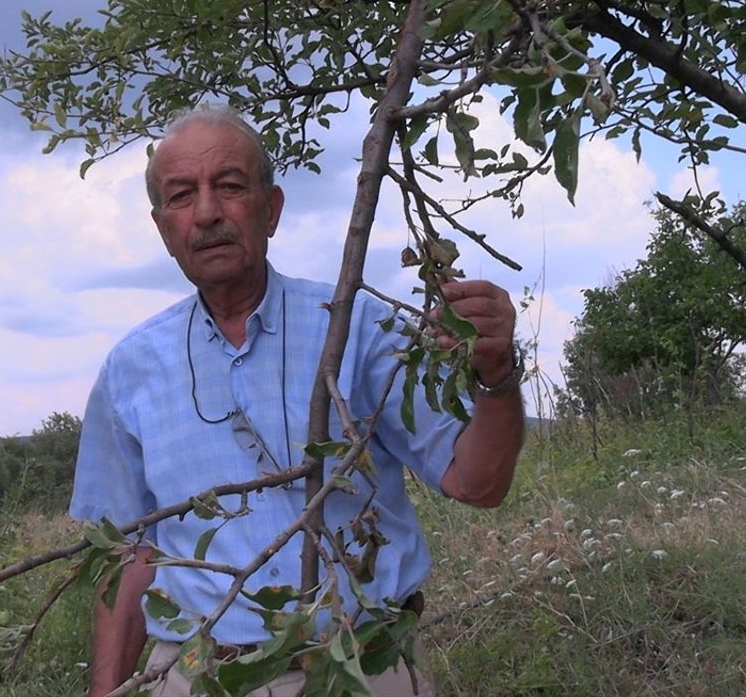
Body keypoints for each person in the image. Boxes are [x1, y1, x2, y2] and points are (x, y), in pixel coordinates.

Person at [70, 105, 525, 696]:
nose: (207, 212)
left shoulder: (359, 326)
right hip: (194, 677)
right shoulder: (130, 369)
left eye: (230, 186)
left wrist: (495, 371)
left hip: (364, 670)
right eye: (182, 195)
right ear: (163, 228)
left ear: (272, 209)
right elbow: (127, 556)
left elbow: (478, 484)